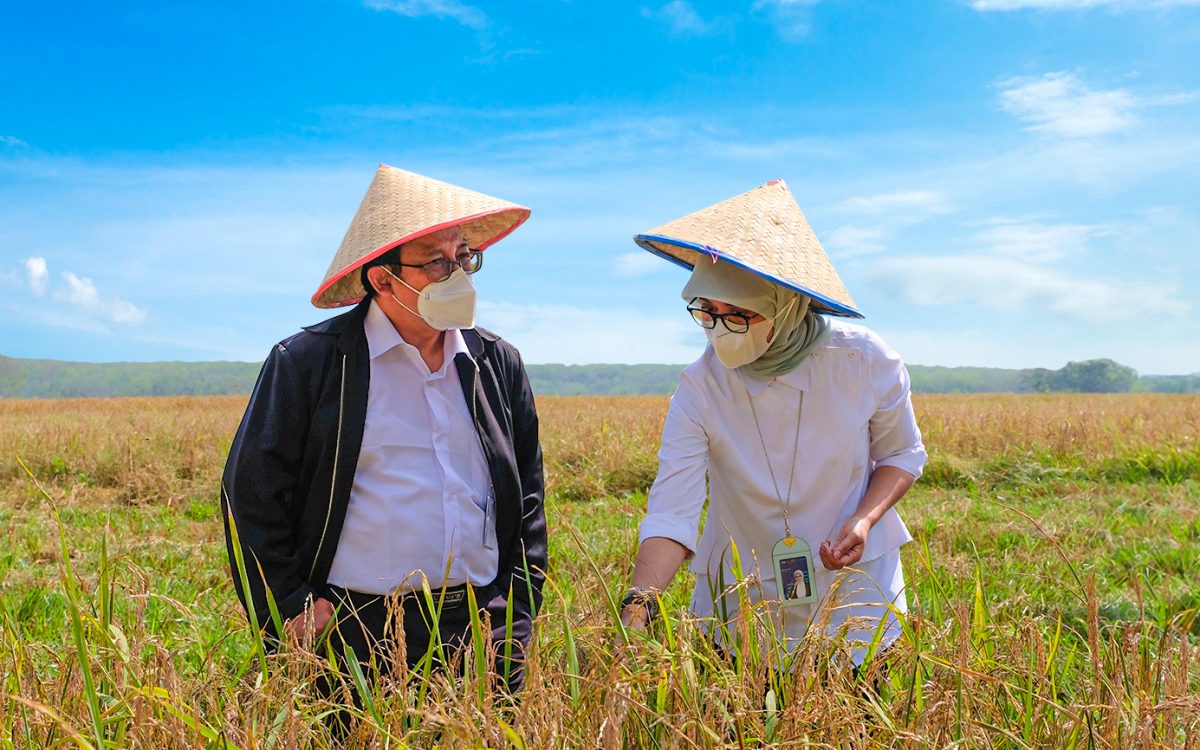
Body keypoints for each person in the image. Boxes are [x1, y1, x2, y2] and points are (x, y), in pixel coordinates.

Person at [221, 165, 547, 692]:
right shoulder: (311, 363)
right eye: (436, 263)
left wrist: (514, 614)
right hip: (354, 629)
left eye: (463, 256)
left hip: (478, 625)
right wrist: (290, 605)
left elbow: (527, 498)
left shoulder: (496, 363)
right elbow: (249, 495)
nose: (457, 275)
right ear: (381, 279)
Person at [621, 179, 926, 667]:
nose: (720, 329)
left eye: (738, 314)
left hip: (854, 593)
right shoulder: (701, 386)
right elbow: (673, 510)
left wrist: (864, 519)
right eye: (707, 312)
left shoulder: (864, 360)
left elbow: (901, 454)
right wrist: (640, 603)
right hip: (743, 596)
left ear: (786, 305)